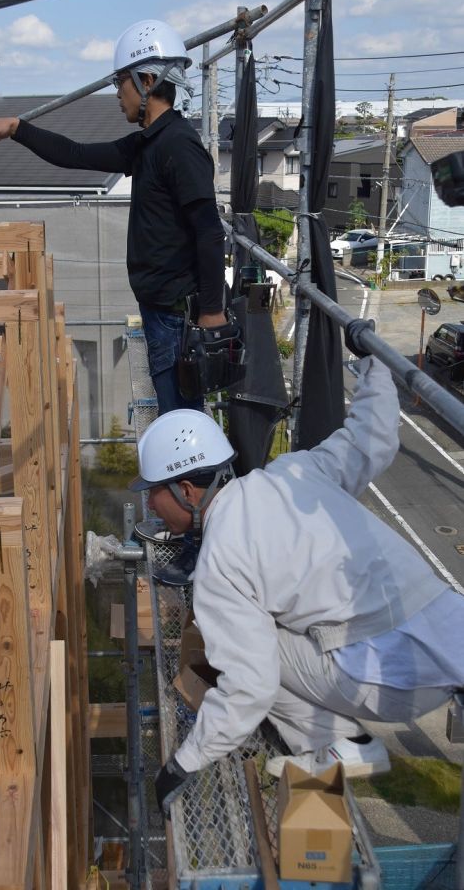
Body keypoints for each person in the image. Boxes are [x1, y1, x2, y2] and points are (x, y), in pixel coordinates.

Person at [129, 320, 464, 817]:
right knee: (268, 621)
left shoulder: (222, 557)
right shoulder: (293, 471)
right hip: (447, 634)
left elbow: (250, 686)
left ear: (188, 490)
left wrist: (184, 762)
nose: (152, 508)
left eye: (153, 492)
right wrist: (374, 361)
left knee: (247, 653)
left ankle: (339, 741)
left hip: (390, 680)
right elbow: (371, 438)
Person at [0, 18, 227, 417]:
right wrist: (18, 129)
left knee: (181, 418)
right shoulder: (148, 143)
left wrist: (213, 311)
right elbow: (75, 155)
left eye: (120, 83)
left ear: (146, 81)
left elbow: (210, 233)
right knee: (174, 411)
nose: (117, 94)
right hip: (160, 310)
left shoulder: (179, 145)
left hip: (176, 315)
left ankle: (190, 481)